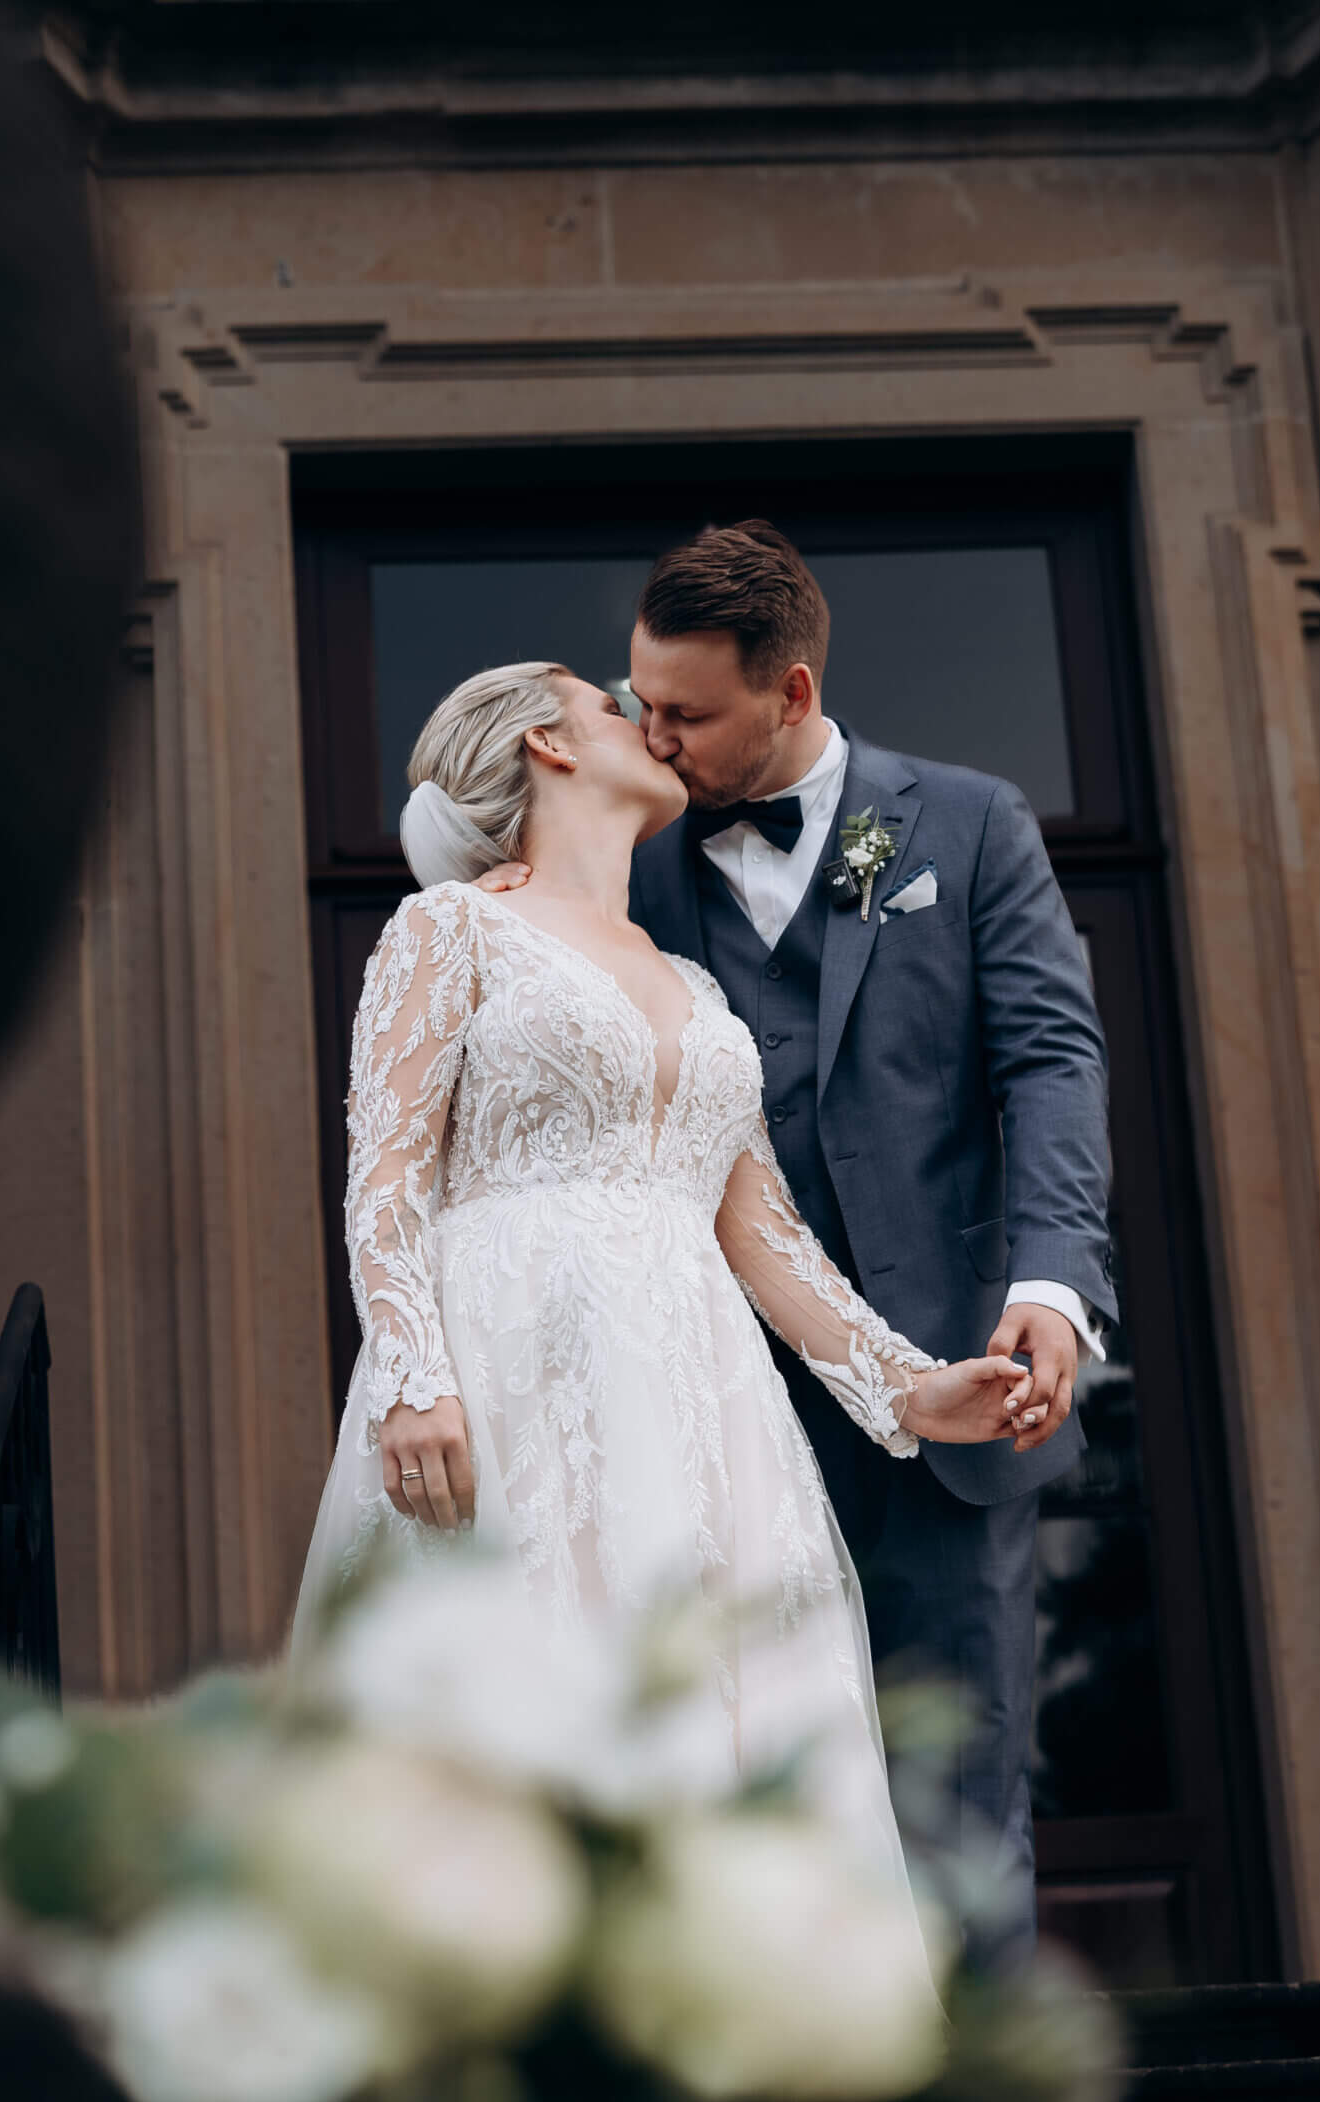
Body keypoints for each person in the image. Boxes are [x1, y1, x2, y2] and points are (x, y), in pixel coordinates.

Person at [292, 657, 1320, 2102]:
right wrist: (413, 1370)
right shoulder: (446, 938)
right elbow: (381, 1173)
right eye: (617, 699)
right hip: (514, 1391)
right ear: (544, 742)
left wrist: (909, 1389)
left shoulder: (685, 987)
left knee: (737, 1805)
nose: (649, 724)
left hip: (702, 1421)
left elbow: (764, 1234)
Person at [481, 522, 1110, 1950]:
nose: (657, 733)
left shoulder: (964, 823)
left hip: (950, 1394)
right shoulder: (623, 873)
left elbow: (1051, 1062)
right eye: (641, 703)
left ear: (795, 692)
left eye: (688, 713)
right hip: (713, 1410)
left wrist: (1053, 1289)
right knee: (745, 1801)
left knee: (957, 1798)